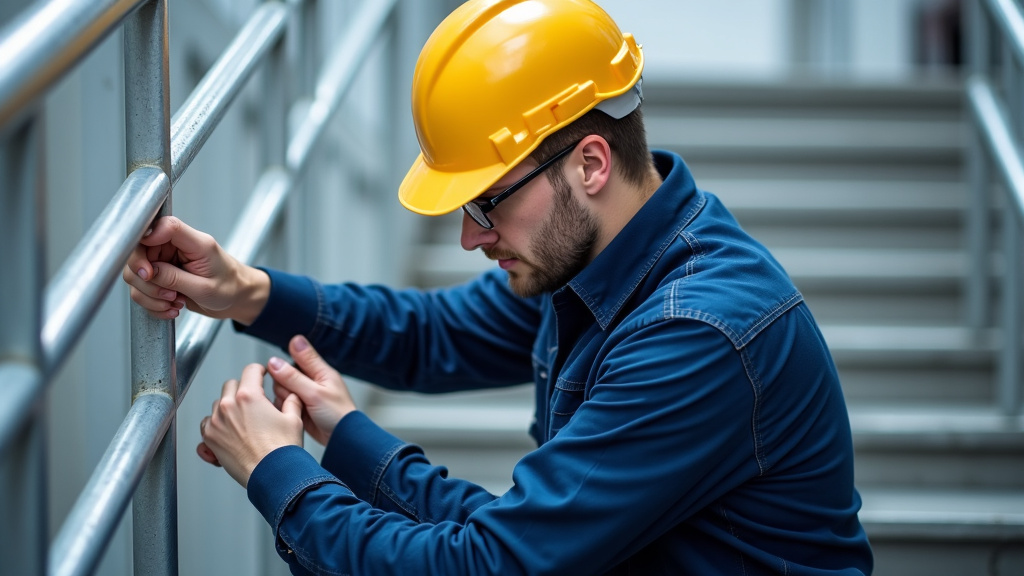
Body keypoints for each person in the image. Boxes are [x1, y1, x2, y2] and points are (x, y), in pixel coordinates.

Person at [124, 1, 874, 574]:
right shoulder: (600, 260)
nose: (470, 236)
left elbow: (488, 562)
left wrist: (275, 471)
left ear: (589, 164)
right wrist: (247, 293)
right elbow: (431, 337)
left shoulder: (697, 335)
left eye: (488, 202)